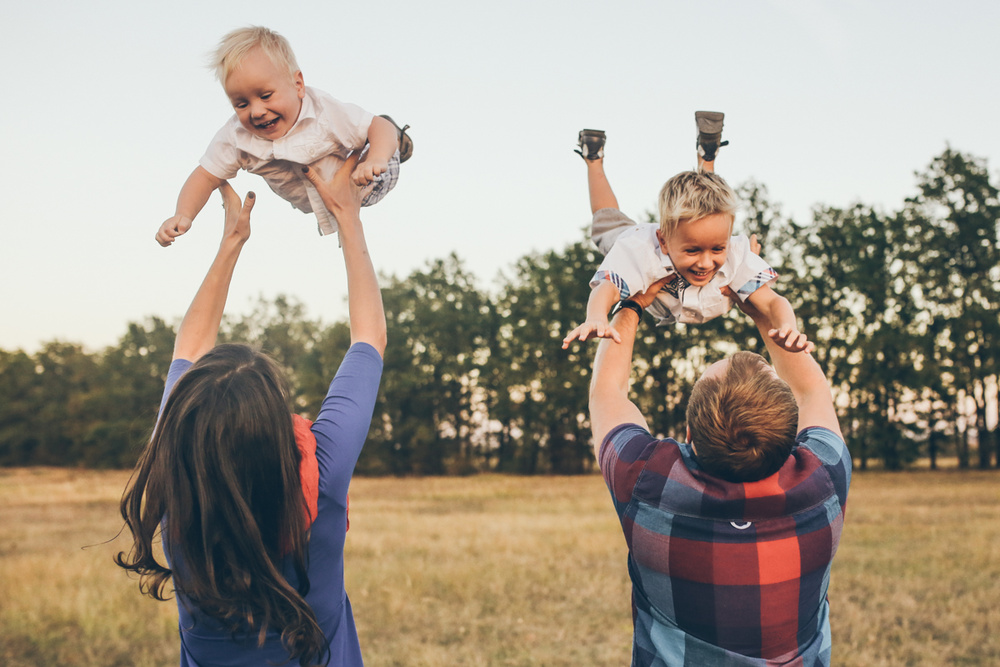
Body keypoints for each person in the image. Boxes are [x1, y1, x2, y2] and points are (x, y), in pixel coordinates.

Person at [119, 152, 386, 666]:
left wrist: (230, 246)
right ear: (274, 425)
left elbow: (187, 350)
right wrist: (348, 219)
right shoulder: (320, 475)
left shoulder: (177, 480)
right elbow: (368, 338)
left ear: (185, 424)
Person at [588, 274, 851, 665]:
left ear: (689, 435)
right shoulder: (824, 478)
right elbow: (812, 390)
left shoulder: (648, 480)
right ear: (792, 432)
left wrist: (632, 306)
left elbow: (607, 392)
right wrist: (764, 311)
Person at [562, 113, 810, 353]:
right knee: (605, 219)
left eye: (717, 248)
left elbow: (773, 301)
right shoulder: (638, 251)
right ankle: (593, 157)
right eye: (692, 250)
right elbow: (607, 288)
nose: (705, 262)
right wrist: (596, 317)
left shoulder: (736, 255)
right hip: (636, 241)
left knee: (708, 206)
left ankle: (707, 156)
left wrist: (788, 326)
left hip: (695, 244)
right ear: (664, 241)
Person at [155, 25, 412, 246]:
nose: (256, 112)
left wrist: (376, 158)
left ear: (298, 85)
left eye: (266, 96)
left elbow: (377, 128)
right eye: (241, 104)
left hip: (367, 178)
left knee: (380, 131)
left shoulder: (323, 111)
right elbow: (205, 175)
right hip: (313, 196)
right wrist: (183, 214)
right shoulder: (236, 136)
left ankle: (398, 139)